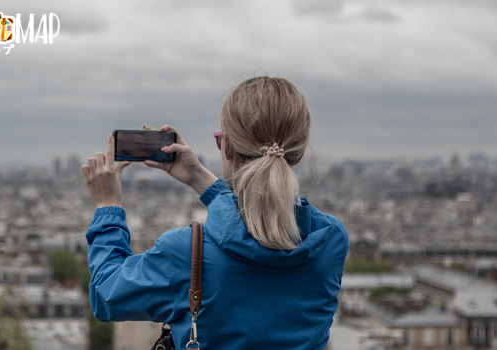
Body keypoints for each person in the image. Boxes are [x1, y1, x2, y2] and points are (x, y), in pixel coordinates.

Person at [82, 76, 350, 349]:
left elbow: (106, 294)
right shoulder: (331, 240)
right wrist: (201, 179)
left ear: (228, 148)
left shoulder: (187, 254)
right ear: (300, 154)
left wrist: (107, 208)